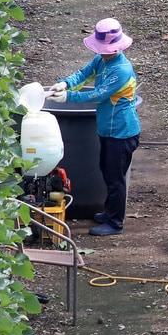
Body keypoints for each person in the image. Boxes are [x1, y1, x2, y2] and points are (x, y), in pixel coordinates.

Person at [45, 18, 141, 237]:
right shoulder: (102, 60)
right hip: (107, 129)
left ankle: (116, 222)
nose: (103, 53)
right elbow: (83, 73)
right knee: (106, 171)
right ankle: (109, 212)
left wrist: (68, 97)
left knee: (115, 178)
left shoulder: (122, 70)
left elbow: (98, 94)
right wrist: (66, 83)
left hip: (122, 132)